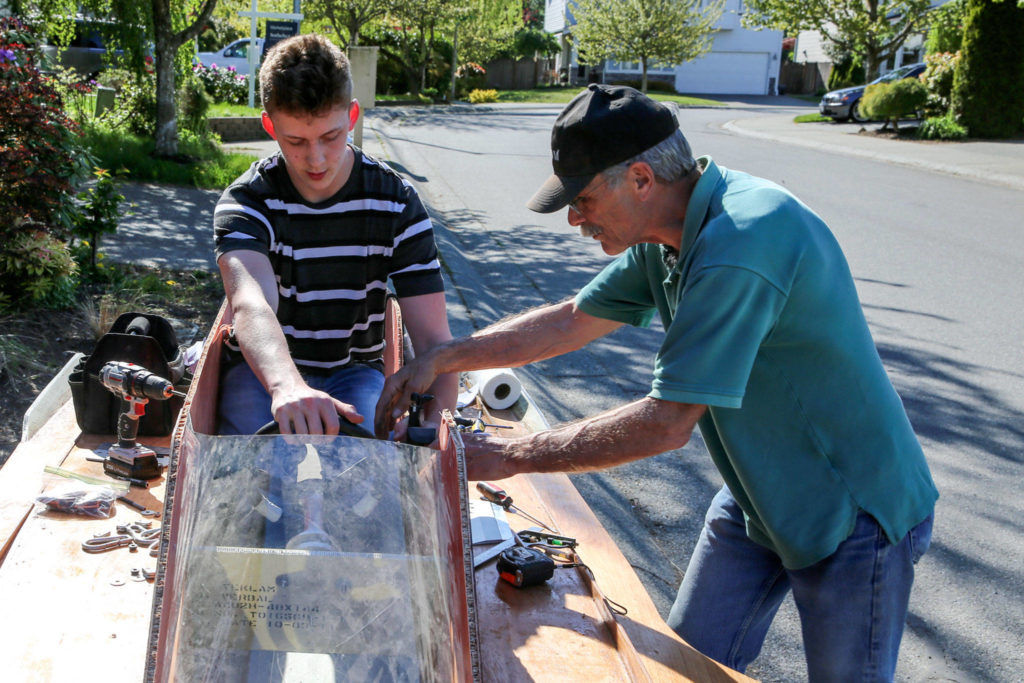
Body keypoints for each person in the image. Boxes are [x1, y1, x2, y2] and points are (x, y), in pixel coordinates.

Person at [375, 84, 938, 680]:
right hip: (757, 494)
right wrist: (445, 357)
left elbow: (666, 424)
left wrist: (509, 454)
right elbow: (570, 321)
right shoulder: (670, 234)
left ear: (641, 179)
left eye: (585, 198)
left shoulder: (740, 243)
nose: (575, 218)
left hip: (852, 512)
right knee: (684, 666)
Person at [214, 34, 455, 437]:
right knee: (251, 468)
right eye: (296, 141)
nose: (317, 158)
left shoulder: (396, 201)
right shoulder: (246, 202)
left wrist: (438, 431)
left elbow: (433, 340)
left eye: (331, 136)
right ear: (270, 125)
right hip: (261, 375)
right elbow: (251, 305)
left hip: (354, 373)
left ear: (353, 116)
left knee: (362, 471)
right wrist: (287, 386)